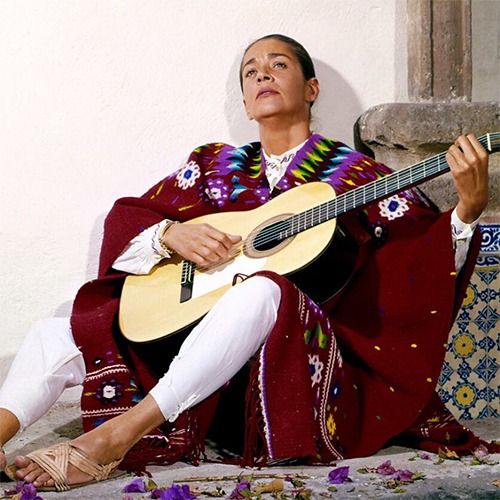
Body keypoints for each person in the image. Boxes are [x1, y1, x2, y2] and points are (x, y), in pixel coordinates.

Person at [0, 34, 493, 492]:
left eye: (278, 65)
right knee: (56, 329)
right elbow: (129, 221)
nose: (263, 75)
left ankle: (117, 435)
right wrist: (172, 232)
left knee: (262, 287)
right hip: (193, 357)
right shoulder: (214, 166)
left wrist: (466, 213)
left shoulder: (357, 177)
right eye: (250, 71)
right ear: (244, 100)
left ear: (312, 87)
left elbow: (414, 267)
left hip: (289, 370)